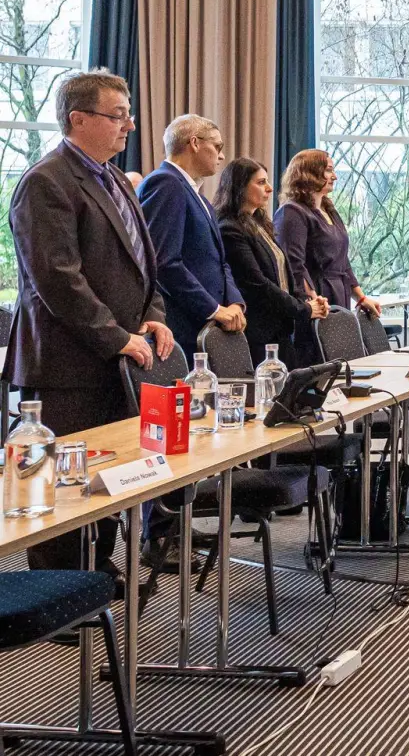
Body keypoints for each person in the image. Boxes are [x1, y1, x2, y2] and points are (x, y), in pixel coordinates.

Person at [3, 69, 173, 575]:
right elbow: (58, 280)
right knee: (64, 488)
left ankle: (96, 575)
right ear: (79, 119)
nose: (129, 126)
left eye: (128, 115)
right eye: (118, 115)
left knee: (106, 479)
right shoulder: (45, 181)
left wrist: (154, 317)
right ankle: (56, 595)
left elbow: (144, 264)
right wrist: (117, 336)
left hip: (117, 359)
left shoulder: (116, 177)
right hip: (67, 365)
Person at [138, 114, 246, 358]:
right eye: (217, 146)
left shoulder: (201, 199)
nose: (221, 156)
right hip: (183, 324)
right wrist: (213, 309)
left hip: (209, 324)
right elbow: (164, 261)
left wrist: (235, 303)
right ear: (195, 143)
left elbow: (220, 262)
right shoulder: (166, 183)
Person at [215, 157, 329, 368]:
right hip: (258, 333)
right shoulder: (229, 228)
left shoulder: (259, 224)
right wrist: (303, 309)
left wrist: (306, 303)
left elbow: (283, 275)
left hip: (280, 330)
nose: (269, 188)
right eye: (260, 182)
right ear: (239, 187)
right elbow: (257, 283)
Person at [274, 149, 381, 363]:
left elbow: (343, 262)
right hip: (317, 298)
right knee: (318, 361)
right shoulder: (292, 212)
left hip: (339, 294)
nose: (335, 176)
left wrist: (360, 297)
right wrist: (315, 302)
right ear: (310, 173)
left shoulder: (329, 209)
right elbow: (295, 265)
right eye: (329, 171)